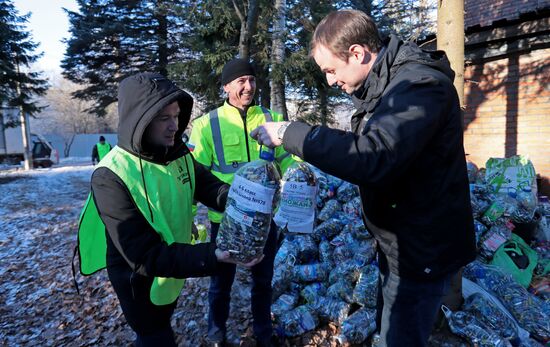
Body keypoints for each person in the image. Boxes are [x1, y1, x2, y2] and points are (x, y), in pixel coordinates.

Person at [251, 10, 476, 347]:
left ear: (357, 53)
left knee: (400, 337)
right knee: (390, 330)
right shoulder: (386, 87)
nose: (329, 81)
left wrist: (288, 132)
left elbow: (373, 155)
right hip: (399, 247)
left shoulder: (419, 87)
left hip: (422, 253)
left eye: (331, 70)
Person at [77, 72, 262, 346]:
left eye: (176, 116)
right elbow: (144, 256)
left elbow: (210, 187)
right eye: (163, 118)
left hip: (173, 268)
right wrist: (216, 254)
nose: (174, 126)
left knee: (163, 325)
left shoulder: (176, 153)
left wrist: (244, 200)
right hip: (138, 281)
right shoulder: (109, 176)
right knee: (155, 335)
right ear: (140, 120)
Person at [188, 58, 294, 347]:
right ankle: (216, 335)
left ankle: (263, 334)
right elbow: (195, 175)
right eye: (241, 81)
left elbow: (287, 161)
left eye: (252, 79)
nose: (249, 87)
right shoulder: (207, 124)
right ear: (226, 87)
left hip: (264, 222)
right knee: (221, 284)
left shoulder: (271, 117)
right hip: (224, 221)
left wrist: (300, 178)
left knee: (263, 282)